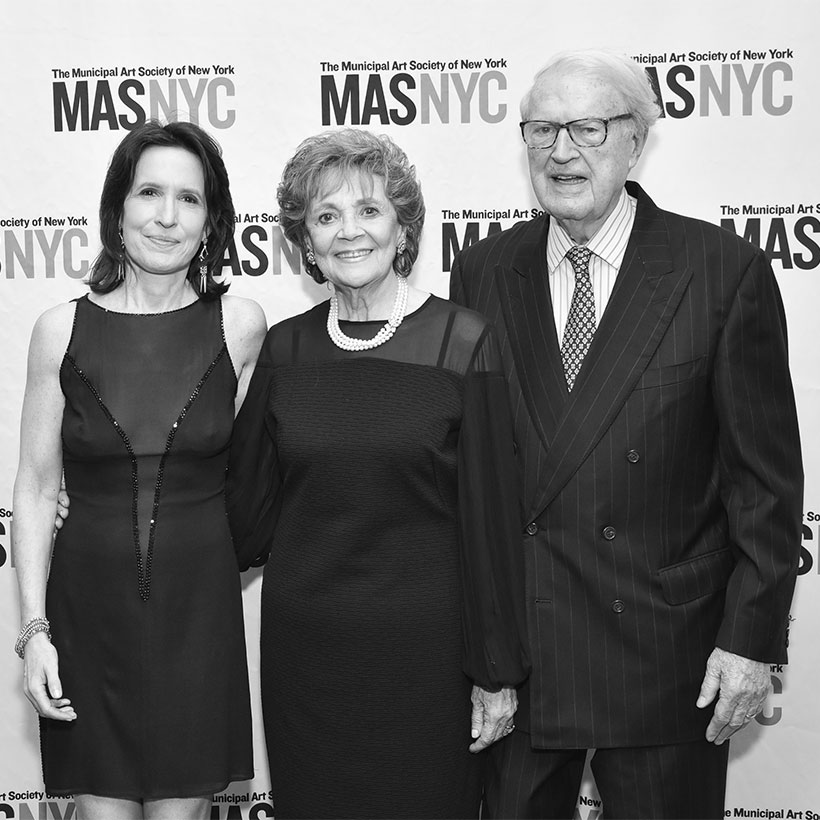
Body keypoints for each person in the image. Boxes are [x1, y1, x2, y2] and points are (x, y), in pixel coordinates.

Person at [449, 49, 803, 820]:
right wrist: (482, 652)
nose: (561, 151)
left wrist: (749, 641)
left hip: (665, 656)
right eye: (542, 129)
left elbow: (765, 485)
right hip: (523, 667)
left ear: (636, 141)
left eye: (586, 127)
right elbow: (476, 478)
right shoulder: (482, 272)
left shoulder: (720, 271)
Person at [227, 128, 529, 819]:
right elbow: (241, 520)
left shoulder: (463, 340)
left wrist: (496, 674)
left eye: (369, 211)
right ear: (304, 241)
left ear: (403, 228)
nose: (347, 233)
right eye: (325, 216)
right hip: (307, 658)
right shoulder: (284, 348)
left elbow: (490, 524)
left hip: (429, 662)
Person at [13, 120, 266, 820]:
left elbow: (261, 476)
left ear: (212, 220)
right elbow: (35, 487)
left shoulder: (241, 325)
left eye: (189, 199)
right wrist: (34, 632)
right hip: (86, 619)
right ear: (117, 208)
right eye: (149, 192)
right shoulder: (59, 329)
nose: (166, 215)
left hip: (199, 618)